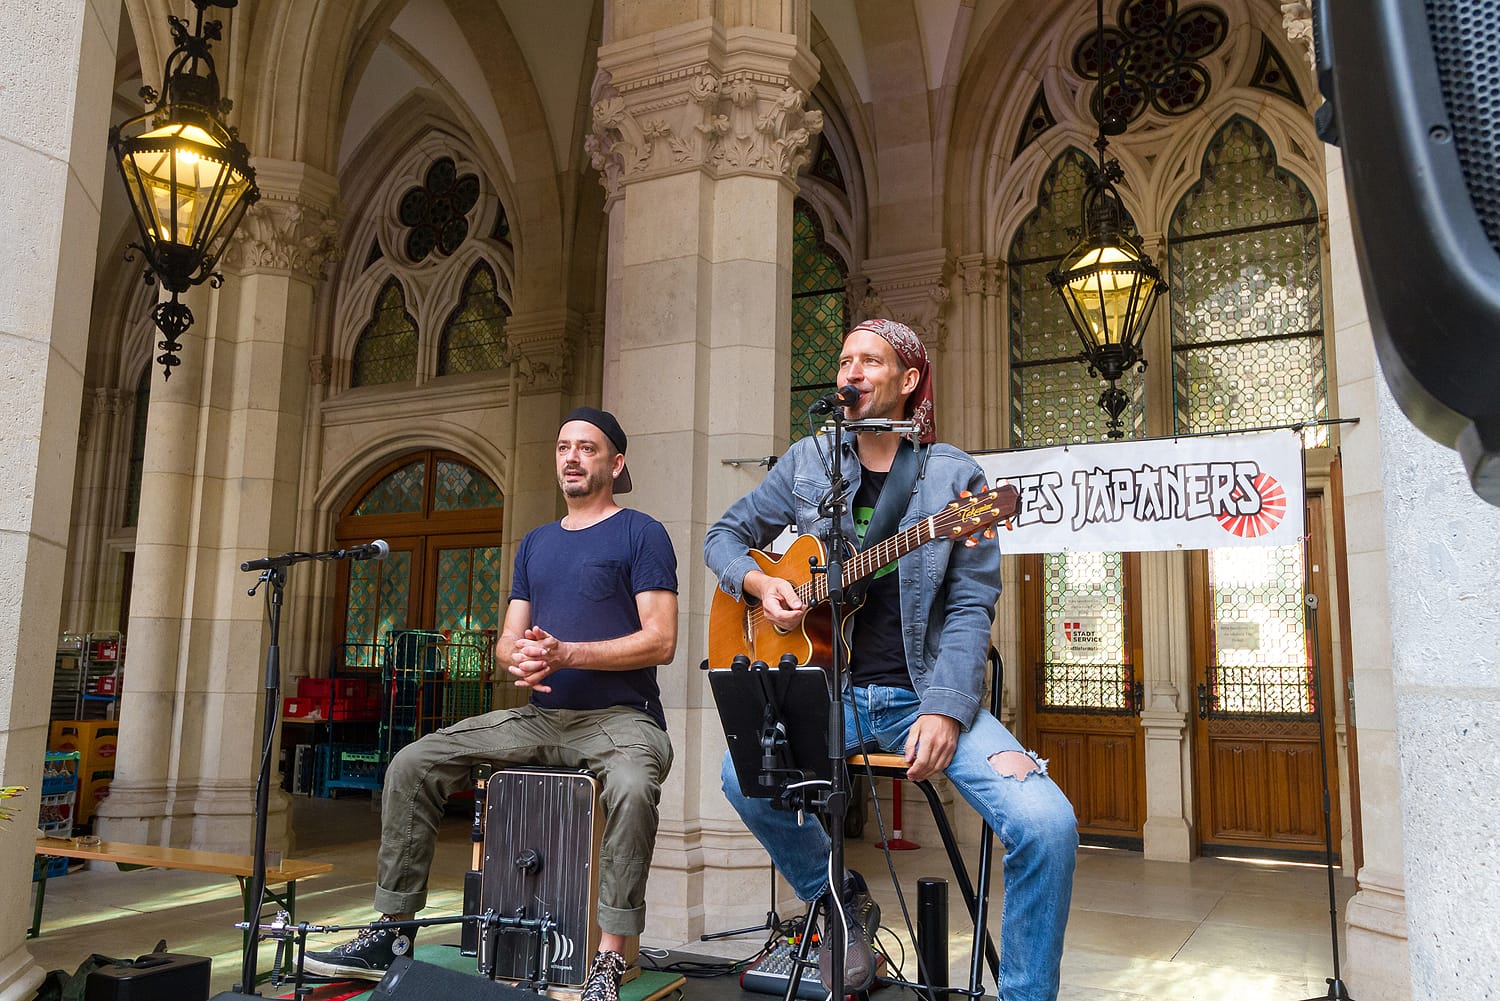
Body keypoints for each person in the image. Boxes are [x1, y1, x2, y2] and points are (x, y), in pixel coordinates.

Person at [704, 319, 1078, 1001]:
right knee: (740, 775)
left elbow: (971, 605)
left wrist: (947, 708)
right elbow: (723, 536)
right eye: (845, 358)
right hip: (832, 694)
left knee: (1048, 825)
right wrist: (761, 584)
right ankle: (840, 899)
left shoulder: (955, 477)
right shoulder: (808, 461)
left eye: (870, 360)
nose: (851, 370)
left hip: (922, 695)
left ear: (908, 381)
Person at [306, 407, 678, 1001]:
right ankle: (392, 930)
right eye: (563, 447)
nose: (572, 457)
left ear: (616, 464)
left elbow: (661, 641)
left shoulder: (641, 532)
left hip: (621, 721)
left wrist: (568, 653)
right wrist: (519, 658)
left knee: (633, 788)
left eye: (587, 448)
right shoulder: (536, 543)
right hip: (538, 718)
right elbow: (508, 638)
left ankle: (609, 956)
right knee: (412, 762)